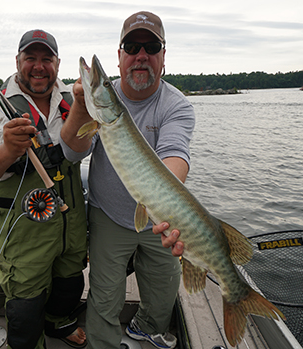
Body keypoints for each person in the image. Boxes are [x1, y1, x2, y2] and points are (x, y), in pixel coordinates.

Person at [60, 11, 195, 349]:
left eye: (151, 47)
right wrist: (81, 103)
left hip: (160, 219)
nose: (141, 55)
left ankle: (146, 327)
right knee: (104, 297)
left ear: (163, 58)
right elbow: (73, 153)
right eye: (132, 46)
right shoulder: (97, 106)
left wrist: (165, 205)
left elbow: (175, 155)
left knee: (165, 290)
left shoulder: (176, 105)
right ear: (119, 57)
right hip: (109, 214)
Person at [0, 29, 88, 349]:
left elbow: (86, 148)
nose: (38, 66)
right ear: (17, 61)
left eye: (46, 58)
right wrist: (6, 150)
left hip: (71, 225)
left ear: (57, 63)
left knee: (70, 284)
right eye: (30, 58)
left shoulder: (76, 103)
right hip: (23, 233)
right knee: (25, 305)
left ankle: (59, 323)